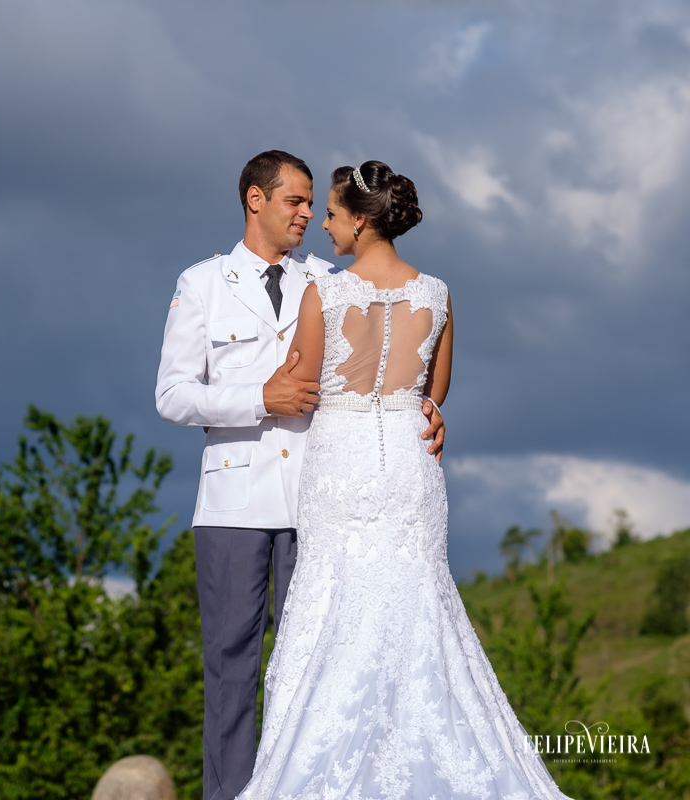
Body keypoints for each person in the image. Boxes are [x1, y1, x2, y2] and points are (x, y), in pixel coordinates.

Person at [236, 161, 572, 800]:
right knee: (419, 601)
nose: (324, 225)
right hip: (412, 465)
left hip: (341, 461)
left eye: (331, 214)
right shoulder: (438, 294)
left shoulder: (324, 294)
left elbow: (298, 381)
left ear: (360, 221)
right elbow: (433, 393)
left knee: (329, 600)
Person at [155, 151, 446, 800]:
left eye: (315, 203)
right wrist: (261, 398)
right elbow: (172, 396)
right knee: (232, 671)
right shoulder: (200, 283)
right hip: (233, 504)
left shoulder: (330, 279)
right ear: (255, 200)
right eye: (295, 202)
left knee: (312, 668)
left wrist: (421, 410)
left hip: (317, 506)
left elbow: (390, 357)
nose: (309, 215)